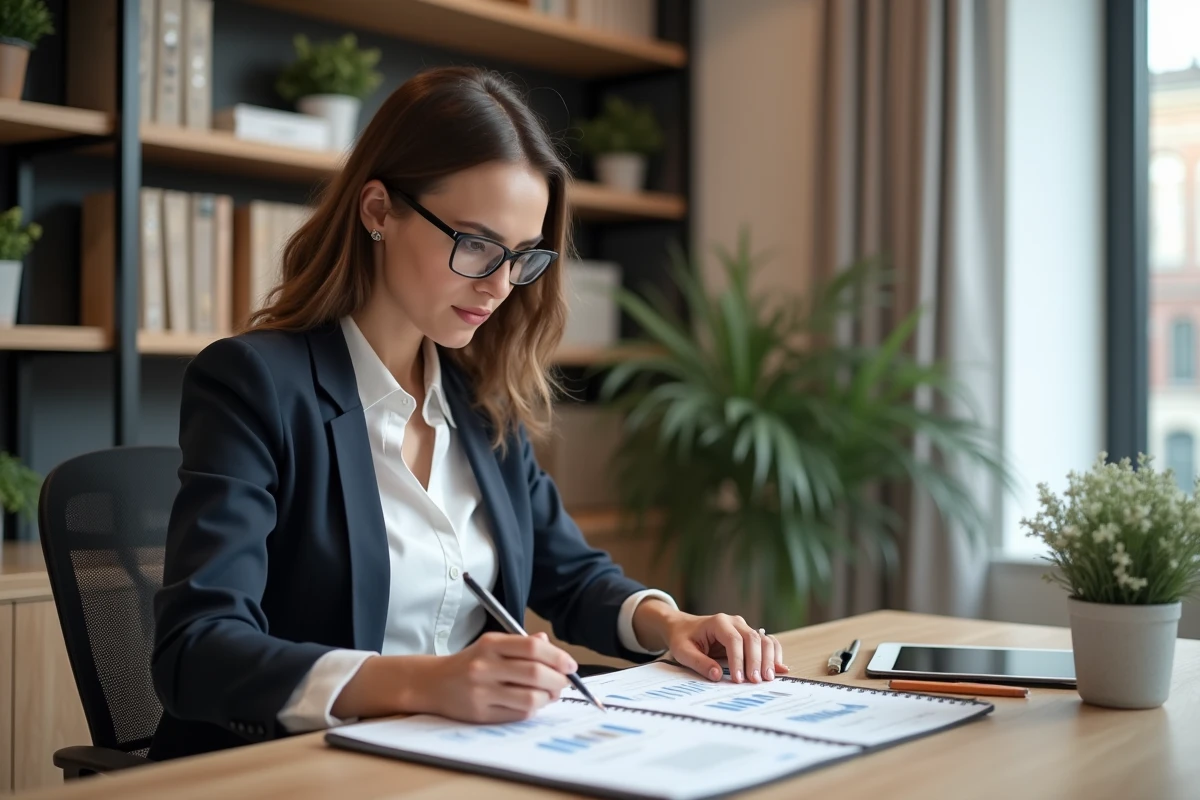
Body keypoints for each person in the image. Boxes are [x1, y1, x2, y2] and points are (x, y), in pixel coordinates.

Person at [148, 66, 788, 762]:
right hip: (297, 769)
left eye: (521, 257)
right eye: (477, 244)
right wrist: (429, 683)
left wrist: (670, 623)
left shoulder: (479, 400)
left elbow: (571, 575)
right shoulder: (255, 384)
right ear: (378, 211)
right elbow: (197, 650)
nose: (499, 285)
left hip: (462, 760)